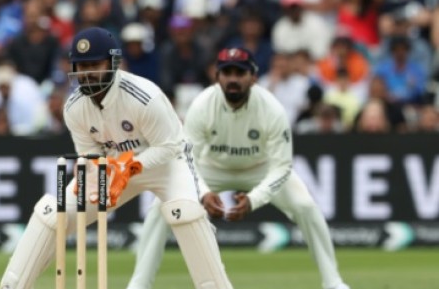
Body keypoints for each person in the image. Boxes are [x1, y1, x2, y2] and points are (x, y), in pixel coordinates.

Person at [0, 27, 233, 289]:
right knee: (52, 214)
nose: (87, 73)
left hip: (168, 166)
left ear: (113, 64)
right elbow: (90, 152)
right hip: (114, 169)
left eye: (94, 64)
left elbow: (170, 146)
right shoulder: (74, 107)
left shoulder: (145, 97)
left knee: (186, 214)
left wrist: (130, 166)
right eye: (81, 65)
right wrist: (89, 165)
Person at [126, 47, 349, 289]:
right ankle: (139, 285)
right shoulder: (202, 105)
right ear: (217, 77)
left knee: (306, 206)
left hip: (260, 168)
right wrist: (202, 192)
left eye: (240, 73)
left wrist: (254, 199)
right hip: (212, 167)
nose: (233, 79)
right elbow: (186, 159)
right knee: (161, 207)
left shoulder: (272, 109)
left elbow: (282, 167)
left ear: (253, 77)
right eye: (227, 72)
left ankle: (333, 282)